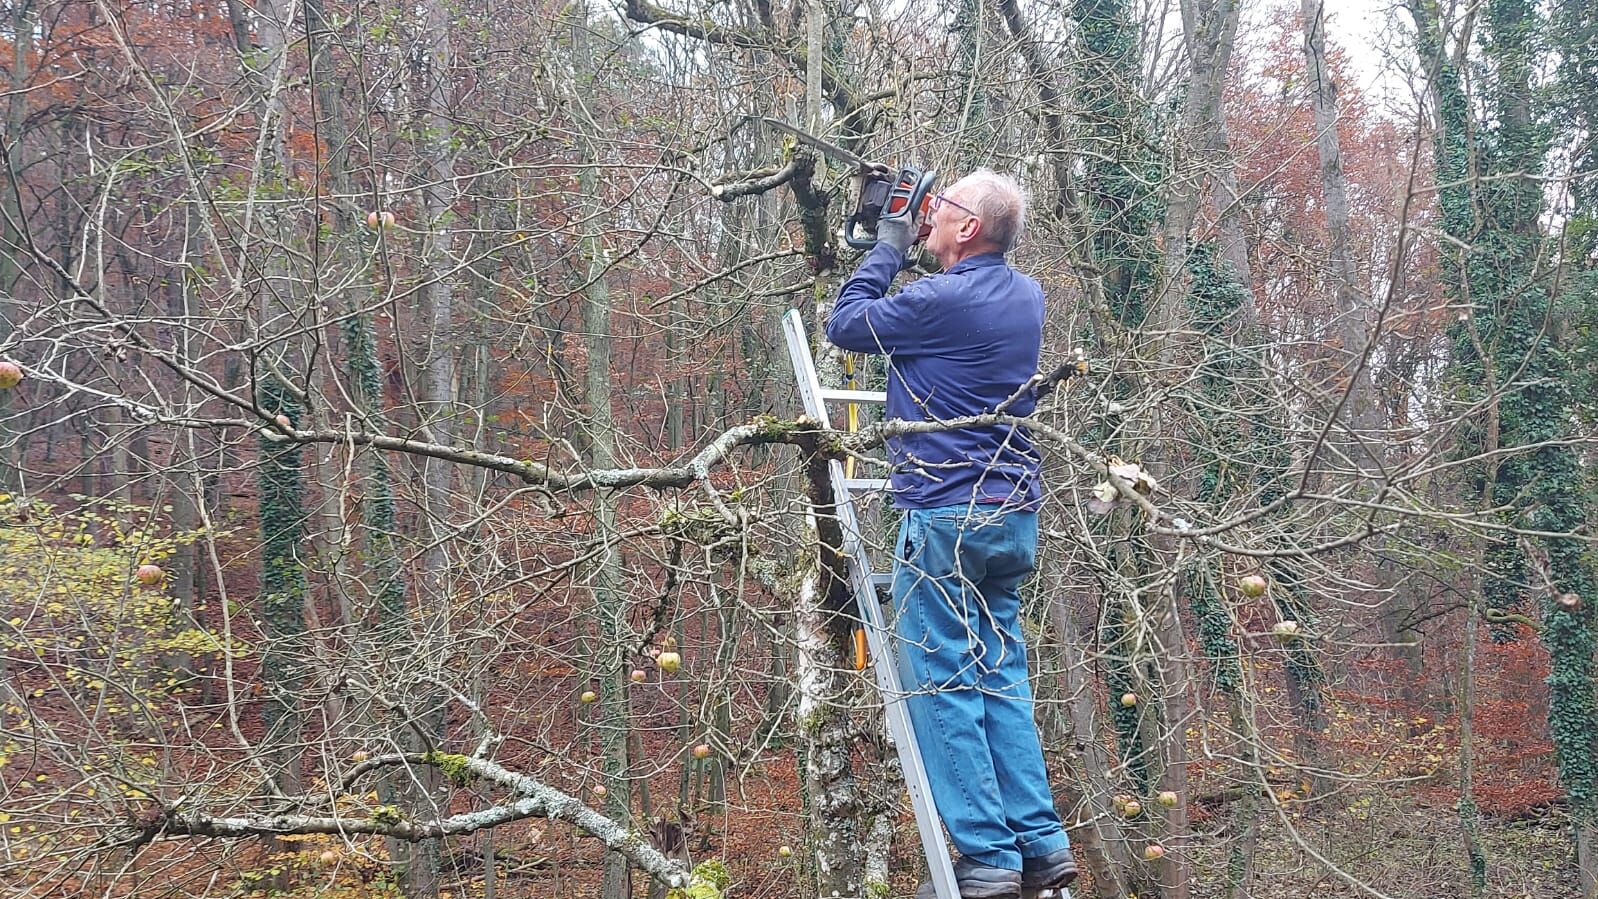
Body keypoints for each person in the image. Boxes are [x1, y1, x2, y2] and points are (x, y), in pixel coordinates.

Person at [825, 169, 1077, 899]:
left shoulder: (941, 300)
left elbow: (847, 322)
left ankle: (988, 858)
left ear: (969, 229)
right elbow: (934, 317)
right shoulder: (1025, 296)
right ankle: (1041, 843)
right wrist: (907, 244)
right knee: (1001, 679)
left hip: (947, 515)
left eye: (944, 210)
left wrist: (887, 245)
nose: (930, 215)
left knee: (944, 682)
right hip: (1011, 515)